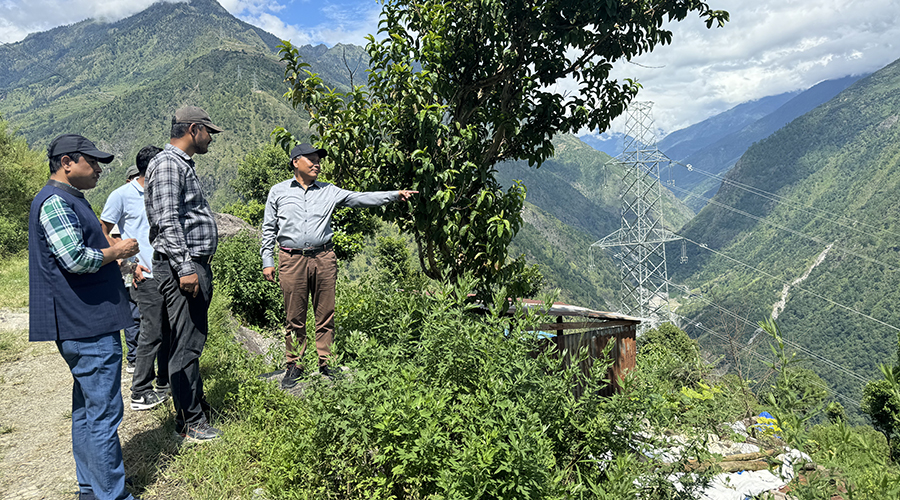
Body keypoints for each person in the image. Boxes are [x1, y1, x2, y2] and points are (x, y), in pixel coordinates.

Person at [29, 134, 141, 500]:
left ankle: (90, 489)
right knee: (105, 415)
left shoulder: (67, 199)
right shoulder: (55, 202)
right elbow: (75, 259)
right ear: (67, 162)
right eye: (91, 162)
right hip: (88, 325)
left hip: (84, 322)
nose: (97, 169)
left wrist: (116, 261)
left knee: (87, 411)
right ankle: (112, 494)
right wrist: (117, 249)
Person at [261, 143, 417, 388]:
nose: (317, 164)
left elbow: (360, 198)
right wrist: (267, 261)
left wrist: (394, 195)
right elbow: (268, 228)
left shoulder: (329, 191)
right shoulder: (278, 192)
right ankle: (294, 364)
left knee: (325, 313)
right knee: (295, 315)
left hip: (323, 257)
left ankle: (325, 361)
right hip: (290, 259)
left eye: (318, 160)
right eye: (311, 160)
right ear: (295, 162)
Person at [145, 106, 223, 442]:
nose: (211, 138)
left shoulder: (178, 165)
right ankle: (191, 422)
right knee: (185, 346)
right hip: (183, 267)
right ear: (194, 129)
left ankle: (195, 409)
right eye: (209, 131)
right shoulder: (167, 164)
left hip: (189, 264)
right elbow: (168, 221)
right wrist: (186, 267)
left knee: (189, 341)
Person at [101, 146, 171, 412]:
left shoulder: (161, 192)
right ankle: (140, 390)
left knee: (169, 330)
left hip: (169, 272)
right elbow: (105, 228)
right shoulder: (122, 195)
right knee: (150, 331)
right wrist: (127, 263)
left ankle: (164, 382)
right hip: (145, 274)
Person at [107, 165, 142, 374]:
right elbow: (113, 238)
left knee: (139, 308)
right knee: (134, 310)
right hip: (129, 266)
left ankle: (138, 355)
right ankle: (134, 357)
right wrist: (123, 261)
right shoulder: (121, 201)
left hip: (137, 264)